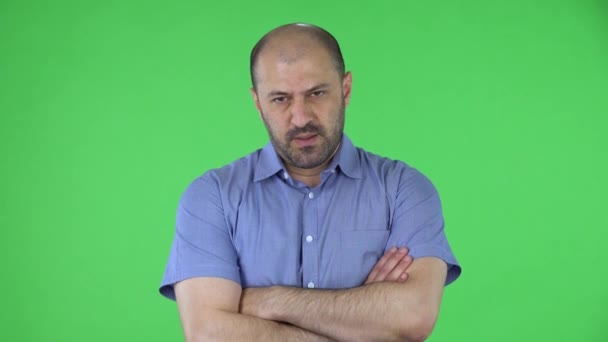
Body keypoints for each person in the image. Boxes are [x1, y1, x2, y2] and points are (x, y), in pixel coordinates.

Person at [159, 23, 461, 341]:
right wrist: (363, 320)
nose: (301, 117)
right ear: (257, 102)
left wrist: (268, 300)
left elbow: (412, 316)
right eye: (280, 99)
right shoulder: (212, 197)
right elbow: (209, 334)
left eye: (316, 93)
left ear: (345, 89)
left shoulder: (405, 190)